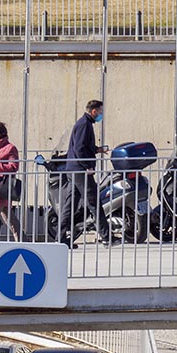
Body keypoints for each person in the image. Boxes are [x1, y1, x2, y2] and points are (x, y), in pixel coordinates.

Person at [57, 100, 119, 248]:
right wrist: (87, 167)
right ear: (94, 111)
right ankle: (106, 237)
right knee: (94, 203)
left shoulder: (83, 123)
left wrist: (98, 150)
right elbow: (79, 149)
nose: (101, 114)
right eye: (100, 111)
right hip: (80, 170)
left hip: (73, 169)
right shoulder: (85, 124)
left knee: (69, 206)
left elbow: (84, 146)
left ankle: (60, 239)